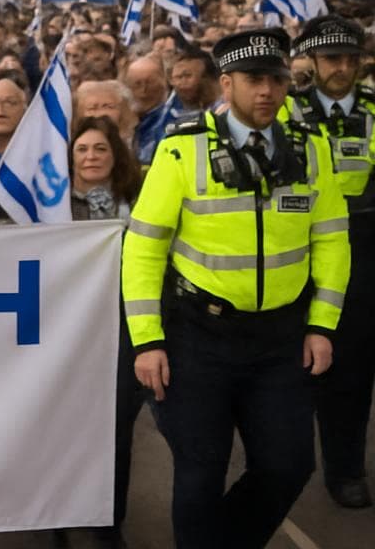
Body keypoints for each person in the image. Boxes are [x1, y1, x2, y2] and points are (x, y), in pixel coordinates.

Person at [122, 28, 350, 548]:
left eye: (276, 79)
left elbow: (332, 240)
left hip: (280, 338)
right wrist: (147, 339)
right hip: (198, 336)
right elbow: (144, 248)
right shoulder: (182, 149)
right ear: (226, 84)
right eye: (253, 79)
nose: (267, 90)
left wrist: (322, 325)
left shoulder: (311, 148)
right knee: (200, 470)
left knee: (290, 464)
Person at [283, 15, 375, 509]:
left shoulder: (374, 111)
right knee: (293, 368)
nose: (342, 67)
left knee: (352, 369)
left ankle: (346, 468)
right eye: (331, 58)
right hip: (296, 247)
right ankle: (282, 465)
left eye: (350, 59)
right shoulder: (286, 110)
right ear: (312, 62)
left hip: (362, 247)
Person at [68, 114, 145, 542]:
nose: (91, 156)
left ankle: (109, 520)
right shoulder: (52, 204)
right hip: (66, 333)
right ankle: (57, 512)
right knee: (64, 425)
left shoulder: (139, 201)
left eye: (100, 148)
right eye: (82, 149)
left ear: (116, 155)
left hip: (124, 331)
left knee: (115, 431)